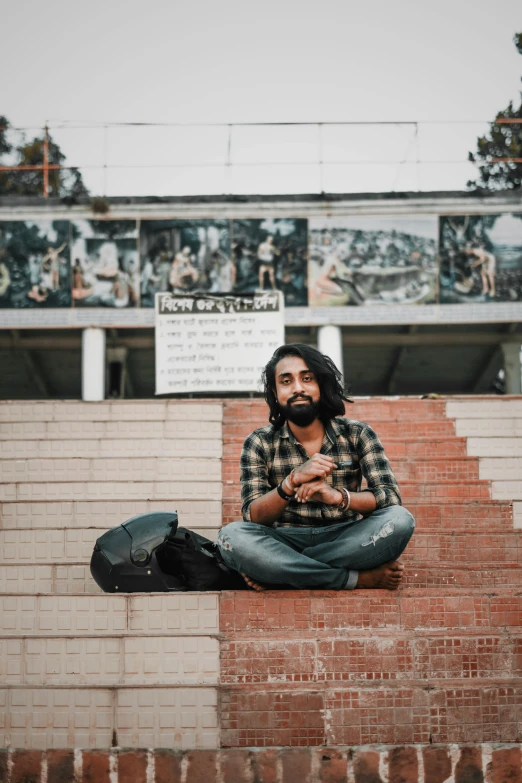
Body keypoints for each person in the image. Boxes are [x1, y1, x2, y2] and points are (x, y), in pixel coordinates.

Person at [217, 343, 415, 591]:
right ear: (275, 392)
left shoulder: (357, 433)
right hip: (285, 539)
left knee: (400, 520)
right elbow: (253, 515)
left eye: (307, 378)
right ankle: (354, 579)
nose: (298, 388)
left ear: (321, 384)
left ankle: (281, 572)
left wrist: (337, 497)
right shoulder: (259, 441)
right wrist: (290, 483)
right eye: (286, 381)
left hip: (347, 537)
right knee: (231, 537)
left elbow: (389, 497)